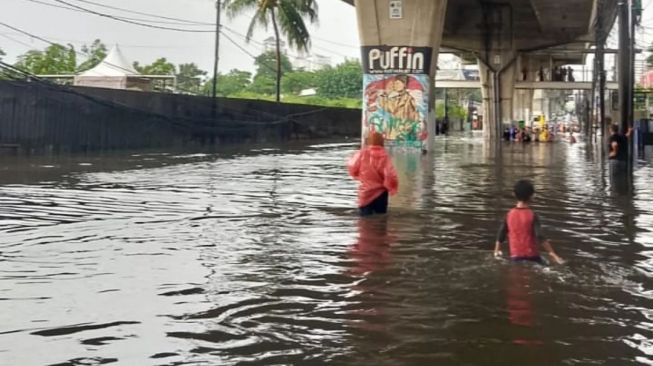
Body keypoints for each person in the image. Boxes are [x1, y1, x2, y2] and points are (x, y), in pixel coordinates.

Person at [494, 180, 564, 264]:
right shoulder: (532, 215)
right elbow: (539, 236)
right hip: (533, 257)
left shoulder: (509, 215)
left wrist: (497, 250)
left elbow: (502, 233)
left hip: (515, 258)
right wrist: (553, 253)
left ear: (515, 195)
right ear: (531, 196)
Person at [348, 132, 399, 216]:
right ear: (382, 142)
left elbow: (352, 166)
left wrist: (357, 175)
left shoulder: (362, 153)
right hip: (381, 193)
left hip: (365, 192)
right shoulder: (384, 156)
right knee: (381, 219)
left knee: (364, 220)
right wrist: (392, 187)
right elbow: (390, 174)